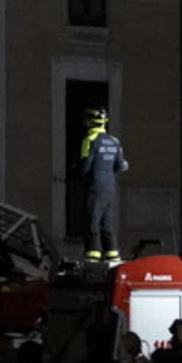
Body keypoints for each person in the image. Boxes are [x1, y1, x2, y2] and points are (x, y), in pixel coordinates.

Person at [80, 108, 129, 264]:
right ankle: (112, 254)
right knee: (107, 223)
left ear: (90, 121)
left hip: (95, 186)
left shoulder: (90, 140)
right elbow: (122, 166)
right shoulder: (114, 141)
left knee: (91, 221)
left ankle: (92, 254)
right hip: (110, 187)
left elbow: (85, 166)